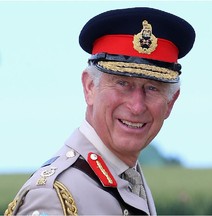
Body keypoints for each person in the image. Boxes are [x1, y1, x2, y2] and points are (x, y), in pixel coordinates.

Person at [5, 6, 195, 216]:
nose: (137, 106)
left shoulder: (129, 180)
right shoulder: (55, 197)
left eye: (152, 88)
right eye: (123, 84)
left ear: (171, 103)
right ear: (89, 87)